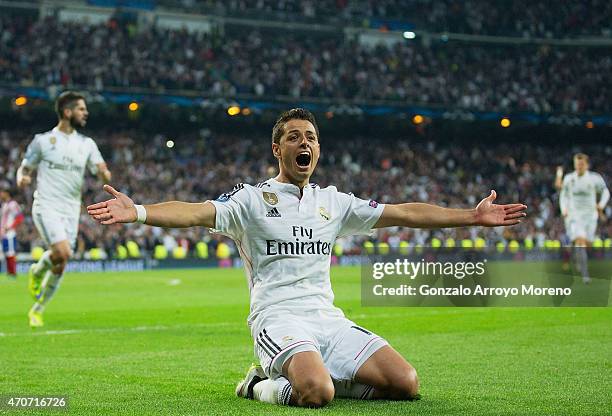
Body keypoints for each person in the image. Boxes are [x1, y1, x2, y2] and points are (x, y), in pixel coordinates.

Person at [87, 108, 527, 407]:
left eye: (311, 138)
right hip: (278, 318)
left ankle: (323, 375)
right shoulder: (252, 199)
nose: (305, 143)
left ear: (318, 151)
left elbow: (405, 213)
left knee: (405, 385)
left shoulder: (333, 202)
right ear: (277, 149)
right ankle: (260, 385)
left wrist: (471, 215)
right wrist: (139, 212)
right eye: (294, 137)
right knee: (316, 392)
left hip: (327, 319)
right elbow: (196, 211)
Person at [16, 91, 111, 327]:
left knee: (61, 261)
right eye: (81, 108)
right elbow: (25, 168)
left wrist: (103, 174)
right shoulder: (43, 141)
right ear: (67, 112)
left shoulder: (86, 144)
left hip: (71, 209)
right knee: (64, 252)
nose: (85, 112)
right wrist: (22, 179)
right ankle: (37, 271)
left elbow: (102, 168)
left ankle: (37, 310)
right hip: (46, 205)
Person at [559, 153, 609, 283]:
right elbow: (563, 195)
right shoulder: (569, 178)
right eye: (577, 164)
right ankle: (585, 275)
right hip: (574, 215)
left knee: (587, 245)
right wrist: (563, 208)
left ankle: (577, 256)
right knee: (580, 242)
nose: (579, 166)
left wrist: (601, 205)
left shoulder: (595, 178)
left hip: (591, 216)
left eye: (581, 164)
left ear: (587, 165)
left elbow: (605, 192)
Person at [1, 187, 24, 279]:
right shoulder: (4, 204)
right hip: (4, 233)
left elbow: (20, 217)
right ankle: (9, 272)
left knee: (11, 253)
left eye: (2, 193)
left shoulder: (13, 204)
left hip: (10, 233)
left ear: (7, 193)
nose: (1, 195)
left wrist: (10, 227)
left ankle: (13, 273)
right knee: (6, 253)